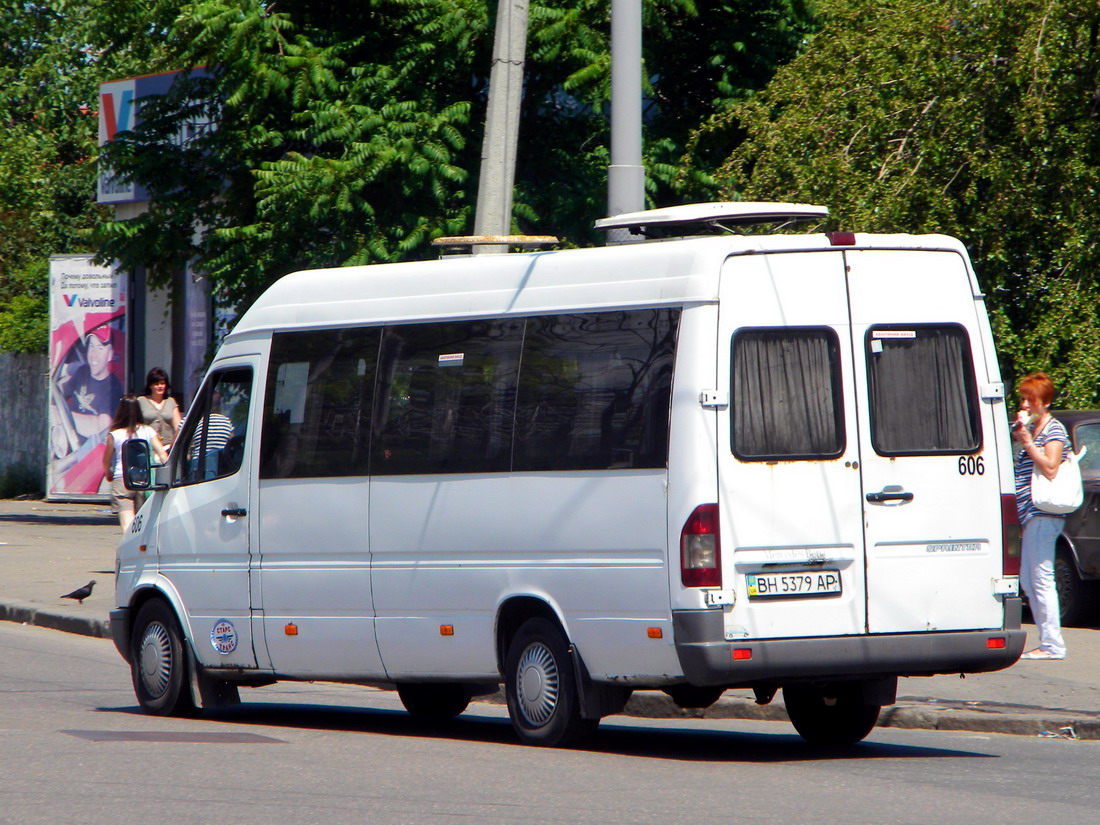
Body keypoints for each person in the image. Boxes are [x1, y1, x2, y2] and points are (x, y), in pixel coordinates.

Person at [1012, 372, 1070, 660]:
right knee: (1028, 579)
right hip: (1030, 514)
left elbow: (1051, 467)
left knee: (1041, 578)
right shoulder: (1035, 428)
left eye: (1029, 399)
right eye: (1022, 398)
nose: (1024, 403)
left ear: (1043, 402)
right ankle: (1047, 640)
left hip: (1044, 512)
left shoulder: (1054, 430)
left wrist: (1027, 442)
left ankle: (1052, 645)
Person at [102, 395, 168, 533]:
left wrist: (108, 472)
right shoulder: (148, 431)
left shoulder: (114, 435)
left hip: (122, 479)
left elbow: (106, 461)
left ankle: (129, 548)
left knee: (128, 524)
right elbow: (162, 455)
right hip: (143, 479)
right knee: (142, 521)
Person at [62, 327, 124, 439]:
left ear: (109, 355)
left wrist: (63, 415)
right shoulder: (82, 371)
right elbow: (61, 394)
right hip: (65, 439)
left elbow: (102, 429)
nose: (93, 355)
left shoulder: (113, 387)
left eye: (100, 348)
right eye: (91, 346)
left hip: (88, 451)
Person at [137, 367, 182, 449]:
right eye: (156, 384)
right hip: (147, 447)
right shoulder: (141, 401)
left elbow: (178, 427)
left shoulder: (171, 401)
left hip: (168, 446)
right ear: (150, 386)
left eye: (162, 383)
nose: (160, 386)